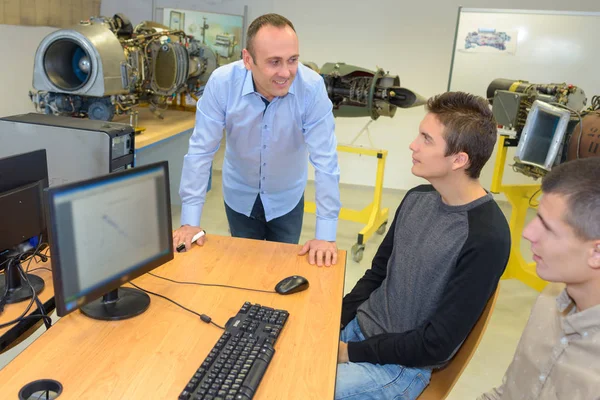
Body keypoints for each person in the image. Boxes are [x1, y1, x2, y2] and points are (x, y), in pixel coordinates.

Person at [335, 92, 511, 400]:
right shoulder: (417, 197)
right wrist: (334, 319)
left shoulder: (487, 237)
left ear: (459, 159)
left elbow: (436, 344)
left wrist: (349, 352)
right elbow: (376, 275)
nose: (413, 145)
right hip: (358, 333)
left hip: (399, 365)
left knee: (297, 386)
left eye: (426, 139)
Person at [174, 13, 341, 266]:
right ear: (248, 59)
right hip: (239, 197)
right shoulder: (222, 84)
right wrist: (190, 221)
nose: (286, 72)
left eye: (292, 60)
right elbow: (201, 152)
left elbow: (325, 161)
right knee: (242, 268)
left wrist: (325, 235)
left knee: (281, 271)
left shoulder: (312, 88)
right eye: (274, 62)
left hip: (287, 199)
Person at [479, 157, 600, 400]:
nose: (527, 232)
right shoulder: (549, 299)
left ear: (596, 252)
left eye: (548, 227)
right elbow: (508, 394)